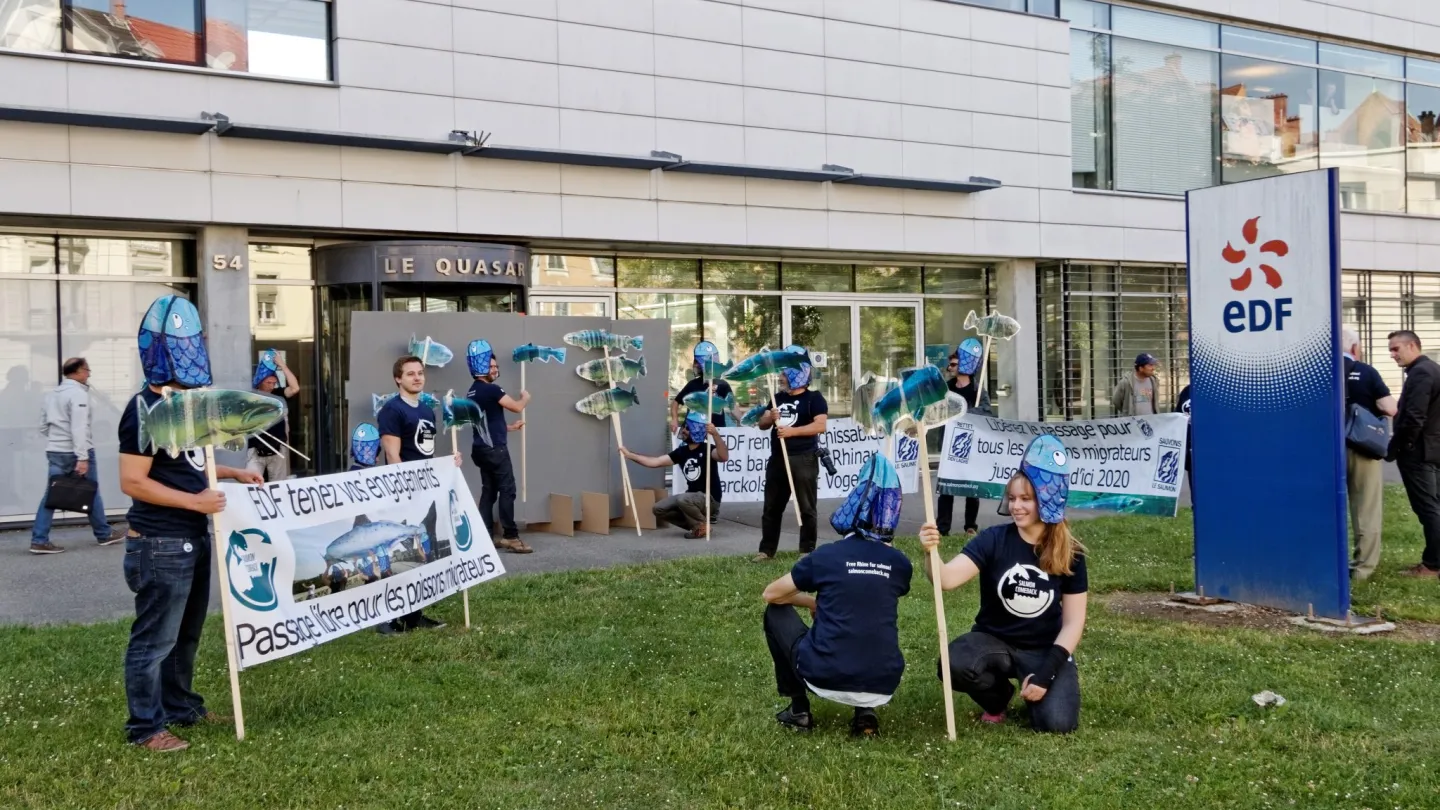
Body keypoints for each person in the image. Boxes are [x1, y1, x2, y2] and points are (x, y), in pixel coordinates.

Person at [118, 295, 263, 752]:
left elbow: (189, 463)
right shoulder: (142, 410)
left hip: (190, 537)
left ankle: (181, 707)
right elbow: (132, 481)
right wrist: (194, 502)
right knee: (154, 640)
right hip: (159, 541)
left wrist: (235, 473)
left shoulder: (189, 405)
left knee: (186, 635)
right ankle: (145, 728)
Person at [920, 434, 1088, 733]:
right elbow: (945, 580)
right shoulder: (993, 539)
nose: (1016, 506)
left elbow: (1074, 623)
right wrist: (929, 552)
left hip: (1044, 650)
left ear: (1046, 500)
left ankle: (1037, 690)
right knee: (954, 662)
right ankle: (998, 700)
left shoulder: (1070, 552)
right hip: (995, 641)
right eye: (1012, 498)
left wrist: (1046, 674)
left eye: (1026, 499)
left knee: (1057, 724)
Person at [761, 454, 912, 737]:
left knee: (775, 612)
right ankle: (865, 715)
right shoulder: (900, 564)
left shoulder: (826, 556)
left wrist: (809, 601)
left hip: (823, 674)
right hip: (883, 682)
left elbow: (771, 594)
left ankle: (799, 709)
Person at [376, 355, 460, 632]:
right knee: (397, 555)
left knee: (422, 553)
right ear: (398, 379)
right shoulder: (392, 410)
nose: (417, 378)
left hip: (425, 493)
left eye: (420, 373)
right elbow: (393, 455)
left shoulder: (426, 410)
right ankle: (387, 618)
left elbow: (427, 454)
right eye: (410, 374)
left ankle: (414, 614)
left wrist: (449, 464)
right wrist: (406, 494)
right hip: (402, 494)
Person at [31, 356, 124, 554]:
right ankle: (104, 534)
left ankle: (39, 539)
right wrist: (82, 457)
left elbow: (42, 426)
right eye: (87, 370)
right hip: (76, 451)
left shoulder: (51, 394)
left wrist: (57, 438)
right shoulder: (78, 395)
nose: (89, 374)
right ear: (79, 371)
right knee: (92, 491)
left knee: (52, 495)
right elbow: (79, 427)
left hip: (54, 450)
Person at [754, 346, 827, 562]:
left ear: (797, 374)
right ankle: (766, 550)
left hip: (804, 458)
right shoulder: (777, 398)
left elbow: (820, 426)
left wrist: (792, 432)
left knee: (807, 506)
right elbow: (762, 424)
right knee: (772, 507)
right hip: (778, 459)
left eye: (785, 374)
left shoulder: (814, 398)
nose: (780, 377)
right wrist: (770, 417)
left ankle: (807, 549)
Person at [466, 340, 531, 554]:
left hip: (481, 449)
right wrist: (525, 398)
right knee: (508, 490)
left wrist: (509, 428)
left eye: (496, 366)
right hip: (496, 450)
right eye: (491, 366)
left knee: (489, 492)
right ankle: (511, 536)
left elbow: (488, 421)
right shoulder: (492, 389)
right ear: (483, 366)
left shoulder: (472, 392)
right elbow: (516, 407)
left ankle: (485, 534)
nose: (494, 369)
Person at [621, 412, 727, 539]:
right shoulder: (681, 452)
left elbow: (723, 456)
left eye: (688, 428)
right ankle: (697, 527)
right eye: (685, 427)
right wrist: (630, 455)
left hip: (710, 499)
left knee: (683, 499)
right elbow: (655, 462)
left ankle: (702, 525)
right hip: (692, 498)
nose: (684, 430)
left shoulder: (707, 449)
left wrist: (715, 434)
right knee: (658, 508)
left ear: (696, 430)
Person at [1343, 328, 1396, 581]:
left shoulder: (1319, 371)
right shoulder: (1365, 371)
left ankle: (1327, 563)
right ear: (1355, 348)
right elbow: (1389, 408)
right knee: (1365, 507)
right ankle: (1362, 569)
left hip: (1325, 449)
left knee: (1325, 506)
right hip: (1360, 447)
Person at [1386, 330, 1440, 578]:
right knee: (1433, 507)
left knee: (1428, 508)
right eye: (1390, 349)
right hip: (1431, 448)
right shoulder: (1432, 369)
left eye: (1396, 348)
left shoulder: (1421, 373)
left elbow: (1414, 417)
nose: (1392, 354)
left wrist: (1398, 447)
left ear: (1412, 346)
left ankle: (1432, 565)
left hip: (1419, 452)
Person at [936, 339, 991, 538]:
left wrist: (968, 412)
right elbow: (938, 411)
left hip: (971, 445)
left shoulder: (978, 391)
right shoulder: (946, 389)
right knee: (946, 489)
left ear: (964, 366)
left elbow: (987, 412)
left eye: (953, 364)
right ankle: (942, 528)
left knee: (971, 488)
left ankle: (970, 526)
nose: (949, 368)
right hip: (949, 444)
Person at [246, 352, 299, 481]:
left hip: (277, 447)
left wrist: (282, 365)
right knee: (251, 482)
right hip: (255, 448)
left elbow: (295, 388)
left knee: (279, 486)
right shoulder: (251, 397)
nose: (271, 386)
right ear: (260, 381)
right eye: (268, 383)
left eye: (274, 383)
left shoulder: (278, 394)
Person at [672, 341, 738, 434]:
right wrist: (674, 419)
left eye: (697, 362)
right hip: (696, 434)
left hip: (717, 434)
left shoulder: (723, 385)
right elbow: (675, 403)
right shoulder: (692, 385)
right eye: (696, 362)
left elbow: (733, 407)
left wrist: (744, 422)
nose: (695, 365)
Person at [1111, 353, 1158, 417]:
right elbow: (1116, 401)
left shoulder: (1153, 381)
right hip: (1133, 423)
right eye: (1150, 365)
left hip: (1151, 421)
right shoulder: (1126, 382)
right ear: (1141, 368)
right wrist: (1127, 411)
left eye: (1153, 365)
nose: (1153, 368)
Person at [1175, 383, 1193, 506]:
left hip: (1211, 444)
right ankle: (1196, 505)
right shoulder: (1187, 390)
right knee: (1193, 473)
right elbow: (1178, 413)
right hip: (1190, 444)